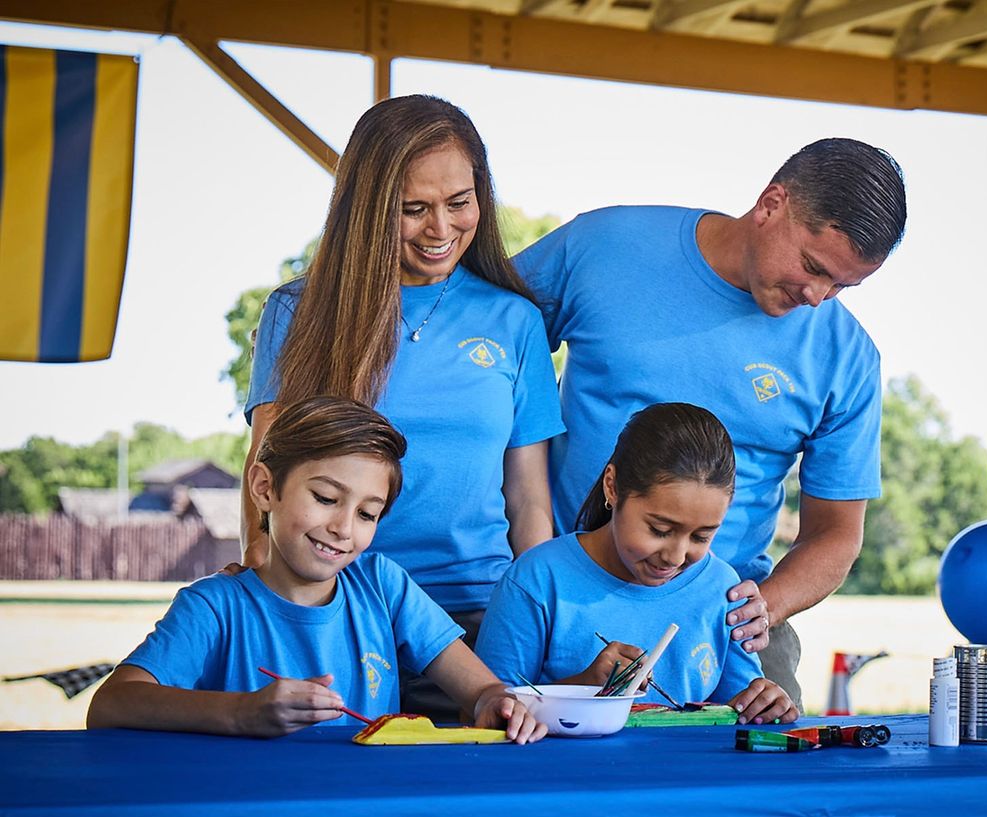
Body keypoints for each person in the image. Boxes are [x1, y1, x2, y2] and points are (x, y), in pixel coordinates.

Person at [514, 138, 907, 706]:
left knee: (767, 773)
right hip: (562, 593)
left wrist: (759, 608)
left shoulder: (848, 357)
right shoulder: (604, 246)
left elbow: (836, 534)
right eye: (814, 267)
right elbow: (487, 350)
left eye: (844, 286)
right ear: (772, 204)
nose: (818, 297)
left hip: (728, 621)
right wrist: (527, 548)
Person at [242, 95, 564, 720]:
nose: (440, 229)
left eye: (459, 203)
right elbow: (264, 468)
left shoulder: (514, 319)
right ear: (367, 208)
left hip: (480, 622)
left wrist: (542, 615)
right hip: (340, 608)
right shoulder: (296, 312)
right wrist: (265, 568)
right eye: (413, 209)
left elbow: (529, 500)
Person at [88, 397, 546, 743]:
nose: (343, 528)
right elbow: (110, 704)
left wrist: (497, 703)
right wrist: (242, 714)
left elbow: (481, 691)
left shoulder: (383, 585)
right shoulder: (215, 605)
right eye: (326, 498)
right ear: (265, 488)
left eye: (367, 514)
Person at [475, 403, 799, 725]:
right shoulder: (536, 580)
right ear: (613, 487)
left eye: (701, 536)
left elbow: (740, 710)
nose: (675, 556)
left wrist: (765, 704)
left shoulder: (724, 590)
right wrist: (585, 685)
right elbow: (488, 712)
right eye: (659, 530)